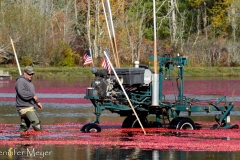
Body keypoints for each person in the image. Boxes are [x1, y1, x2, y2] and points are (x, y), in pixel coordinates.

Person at [15, 66, 43, 132]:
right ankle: (40, 136)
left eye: (32, 74)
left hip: (28, 106)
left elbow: (32, 94)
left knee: (25, 126)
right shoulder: (20, 81)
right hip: (25, 107)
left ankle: (19, 138)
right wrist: (32, 96)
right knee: (36, 122)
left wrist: (37, 102)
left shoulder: (29, 82)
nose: (31, 75)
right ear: (25, 73)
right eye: (29, 74)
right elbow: (21, 92)